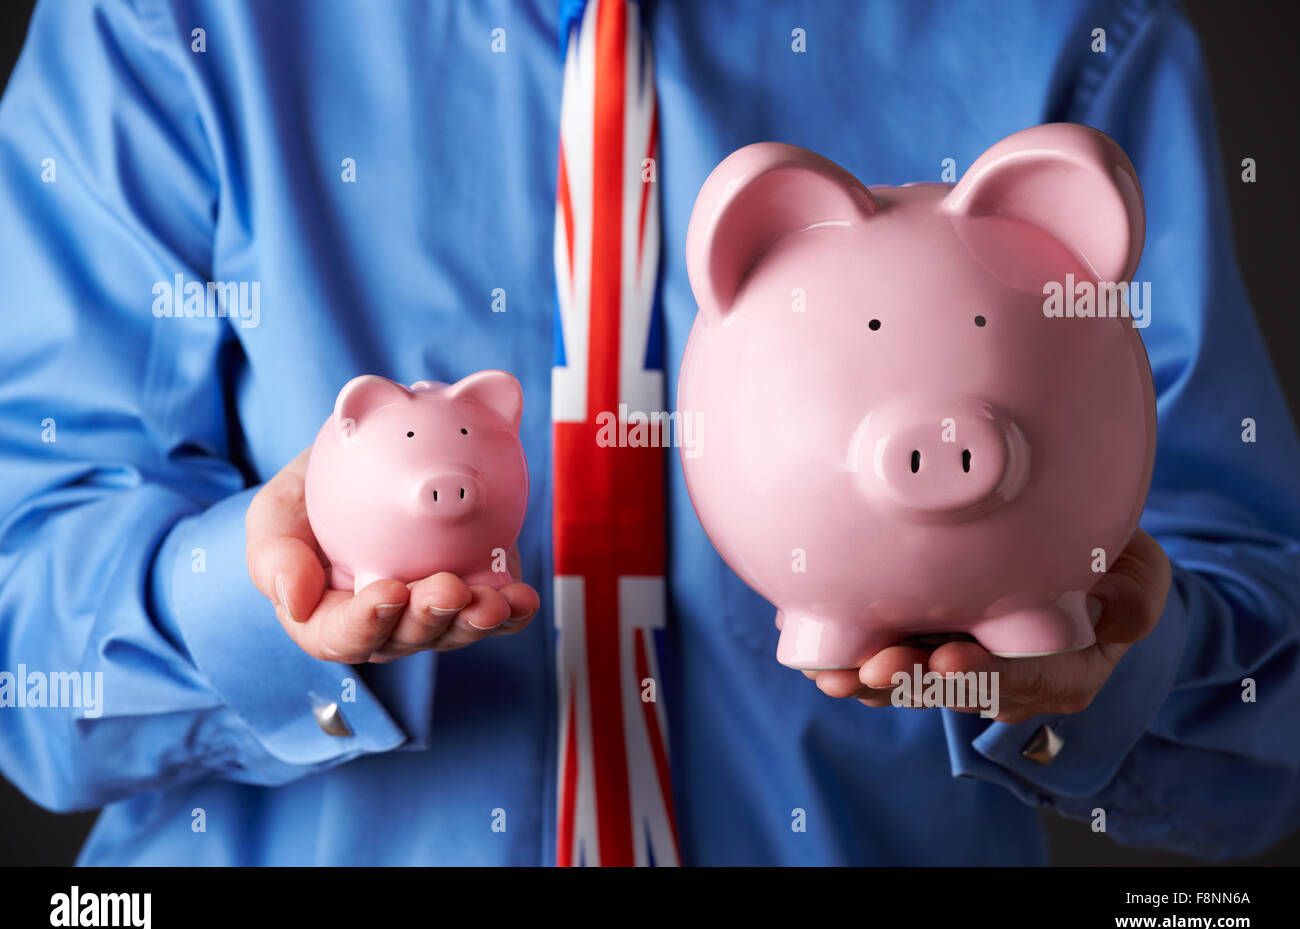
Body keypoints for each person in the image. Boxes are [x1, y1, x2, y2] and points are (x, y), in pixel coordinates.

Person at [1, 0, 1297, 866]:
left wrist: (1110, 655)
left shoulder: (1067, 30)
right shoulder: (161, 26)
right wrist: (261, 607)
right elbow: (26, 657)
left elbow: (1268, 711)